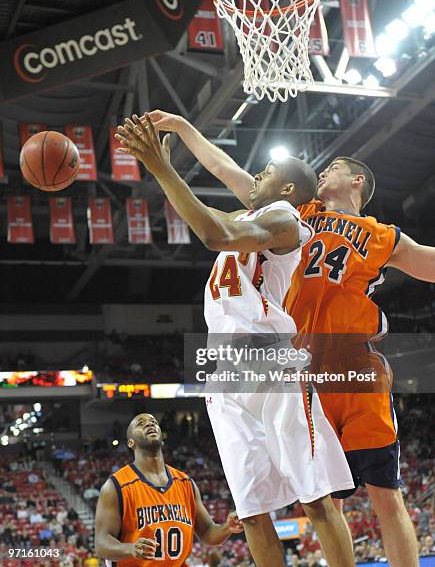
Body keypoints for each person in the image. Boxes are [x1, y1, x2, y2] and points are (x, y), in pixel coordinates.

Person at [146, 111, 433, 567]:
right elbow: (228, 172)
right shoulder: (295, 214)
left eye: (335, 167)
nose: (325, 172)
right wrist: (184, 130)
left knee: (384, 492)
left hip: (353, 367)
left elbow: (429, 263)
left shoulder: (382, 237)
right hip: (298, 363)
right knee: (322, 497)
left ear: (357, 180)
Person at [115, 115, 356, 567]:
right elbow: (220, 170)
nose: (256, 175)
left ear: (287, 191)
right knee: (253, 512)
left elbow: (212, 234)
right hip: (222, 373)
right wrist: (182, 128)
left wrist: (160, 166)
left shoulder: (286, 222)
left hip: (268, 360)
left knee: (316, 499)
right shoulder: (250, 214)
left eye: (267, 173)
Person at [94, 413, 243, 565]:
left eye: (153, 422)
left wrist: (227, 528)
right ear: (131, 442)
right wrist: (130, 549)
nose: (149, 424)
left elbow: (207, 533)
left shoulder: (185, 483)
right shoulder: (116, 486)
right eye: (141, 423)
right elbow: (101, 543)